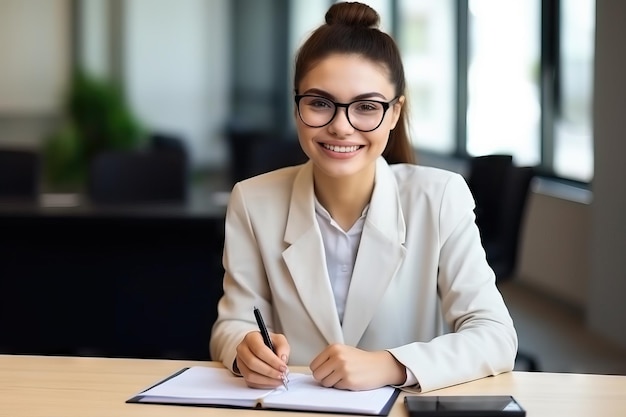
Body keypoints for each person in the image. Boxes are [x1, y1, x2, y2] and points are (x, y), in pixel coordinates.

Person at [210, 1, 518, 393]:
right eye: (320, 103)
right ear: (296, 105)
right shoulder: (252, 201)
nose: (341, 126)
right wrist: (245, 349)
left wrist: (391, 366)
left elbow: (495, 335)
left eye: (366, 107)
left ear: (393, 113)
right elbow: (232, 323)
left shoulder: (439, 197)